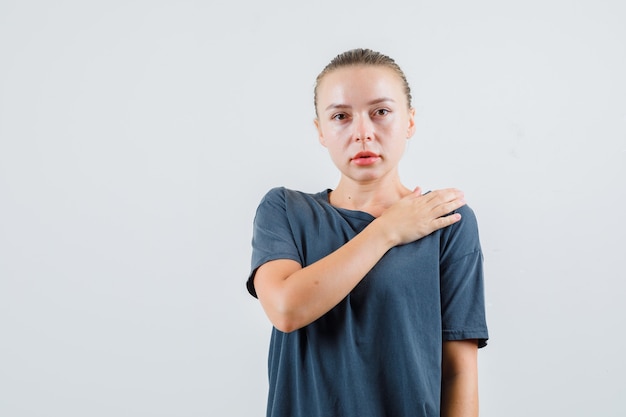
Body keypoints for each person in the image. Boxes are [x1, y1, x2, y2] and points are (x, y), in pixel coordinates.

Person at [246, 48, 488, 417]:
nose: (363, 133)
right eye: (341, 116)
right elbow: (285, 308)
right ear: (321, 131)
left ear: (409, 121)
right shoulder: (284, 210)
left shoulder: (445, 222)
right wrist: (388, 230)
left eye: (381, 112)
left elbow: (458, 372)